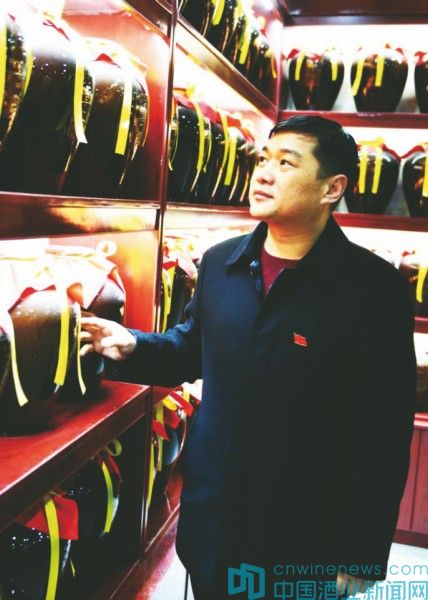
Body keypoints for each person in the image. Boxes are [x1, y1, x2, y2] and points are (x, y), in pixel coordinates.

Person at [81, 116, 416, 600]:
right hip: (213, 524)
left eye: (287, 163)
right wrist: (132, 345)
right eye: (263, 159)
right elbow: (190, 351)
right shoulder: (221, 264)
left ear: (332, 188)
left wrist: (360, 553)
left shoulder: (373, 290)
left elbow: (383, 435)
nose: (264, 173)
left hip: (304, 538)